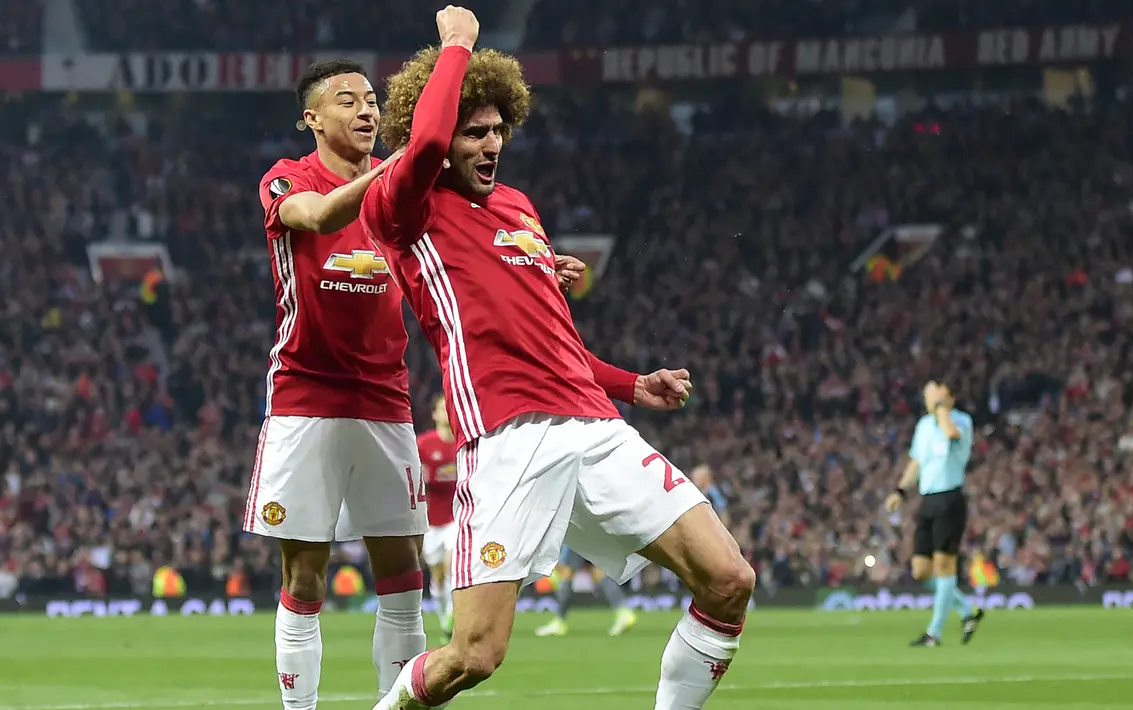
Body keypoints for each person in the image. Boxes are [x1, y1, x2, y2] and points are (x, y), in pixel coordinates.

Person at [362, 7, 755, 709]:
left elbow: (552, 339)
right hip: (509, 438)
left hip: (594, 426)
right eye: (472, 132)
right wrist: (457, 43)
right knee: (475, 656)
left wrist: (631, 384)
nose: (490, 145)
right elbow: (421, 146)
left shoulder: (517, 207)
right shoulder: (401, 205)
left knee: (729, 579)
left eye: (497, 131)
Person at [244, 59, 430, 710]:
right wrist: (398, 165)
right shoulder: (285, 179)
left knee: (404, 578)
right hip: (307, 398)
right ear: (311, 119)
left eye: (371, 99)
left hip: (386, 401)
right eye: (346, 100)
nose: (366, 110)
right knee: (305, 574)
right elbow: (319, 216)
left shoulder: (403, 193)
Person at [885, 381, 985, 647]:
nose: (927, 400)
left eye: (933, 395)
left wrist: (942, 410)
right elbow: (916, 461)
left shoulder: (961, 421)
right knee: (920, 570)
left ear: (948, 398)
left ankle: (934, 633)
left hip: (950, 497)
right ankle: (967, 611)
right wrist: (900, 490)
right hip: (927, 499)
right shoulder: (923, 426)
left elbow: (951, 434)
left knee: (944, 566)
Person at [418, 396, 459, 642]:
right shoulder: (423, 444)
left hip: (457, 516)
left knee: (450, 564)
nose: (447, 413)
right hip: (431, 520)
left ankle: (453, 617)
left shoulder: (463, 442)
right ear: (434, 415)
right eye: (443, 409)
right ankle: (445, 618)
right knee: (438, 576)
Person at [533, 546, 638, 638]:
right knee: (597, 571)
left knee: (566, 571)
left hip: (577, 533)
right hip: (591, 532)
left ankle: (559, 621)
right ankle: (623, 612)